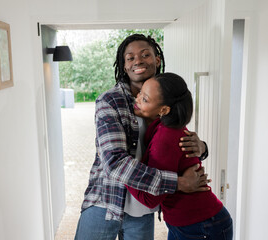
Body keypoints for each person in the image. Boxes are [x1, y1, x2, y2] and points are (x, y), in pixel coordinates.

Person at [74, 34, 209, 240]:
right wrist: (178, 183)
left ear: (157, 60)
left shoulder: (166, 98)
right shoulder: (110, 101)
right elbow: (115, 162)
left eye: (145, 54)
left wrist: (201, 148)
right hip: (105, 202)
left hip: (143, 211)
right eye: (130, 57)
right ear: (124, 65)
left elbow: (175, 144)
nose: (137, 60)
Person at [126, 73, 233, 240]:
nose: (137, 99)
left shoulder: (165, 138)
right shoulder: (166, 126)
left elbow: (150, 198)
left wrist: (122, 170)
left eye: (145, 99)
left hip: (201, 225)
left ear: (164, 110)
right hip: (191, 223)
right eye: (140, 93)